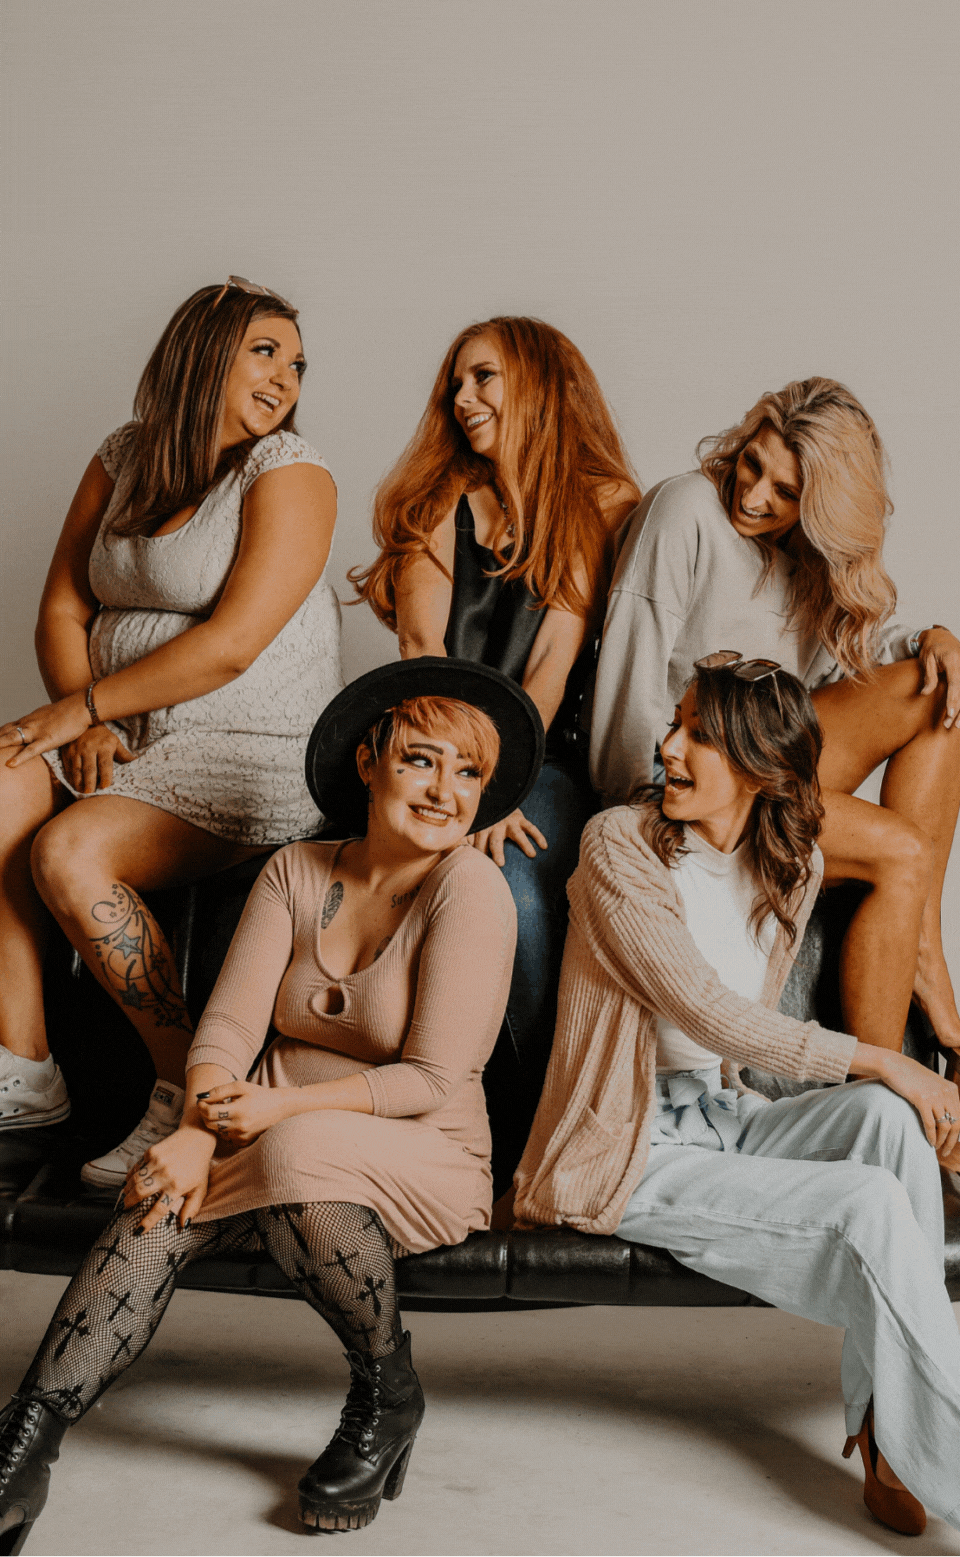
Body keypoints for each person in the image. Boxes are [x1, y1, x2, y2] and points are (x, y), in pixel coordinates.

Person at [0, 657, 542, 1548]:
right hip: (264, 1127)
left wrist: (256, 1120)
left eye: (468, 771)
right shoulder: (295, 872)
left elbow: (435, 1081)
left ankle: (384, 1389)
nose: (445, 790)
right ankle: (23, 1444)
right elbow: (221, 1039)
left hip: (422, 1149)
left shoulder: (469, 888)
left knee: (291, 1161)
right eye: (421, 759)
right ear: (369, 762)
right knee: (153, 1206)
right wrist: (189, 1137)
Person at [515, 657, 960, 1535]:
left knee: (886, 1126)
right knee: (871, 1186)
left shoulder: (788, 866)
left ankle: (886, 1435)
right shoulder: (619, 845)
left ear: (761, 767)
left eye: (700, 735)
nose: (669, 746)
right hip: (629, 1145)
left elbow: (735, 1048)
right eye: (675, 724)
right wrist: (888, 1058)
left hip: (724, 1120)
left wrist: (889, 1084)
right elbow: (706, 1010)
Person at [0, 278, 343, 1186]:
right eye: (265, 351)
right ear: (203, 351)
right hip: (116, 733)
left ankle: (192, 1086)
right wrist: (83, 718)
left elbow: (231, 648)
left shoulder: (292, 471)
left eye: (296, 362)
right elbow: (63, 607)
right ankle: (26, 1069)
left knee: (70, 852)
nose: (286, 376)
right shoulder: (123, 454)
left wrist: (83, 709)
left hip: (246, 748)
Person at [590, 377, 960, 1075]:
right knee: (901, 852)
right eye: (752, 463)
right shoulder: (688, 511)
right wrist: (644, 816)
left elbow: (858, 650)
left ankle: (924, 947)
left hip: (763, 763)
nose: (753, 496)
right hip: (687, 780)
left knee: (938, 683)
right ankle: (890, 1092)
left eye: (785, 492)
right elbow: (631, 683)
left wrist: (938, 636)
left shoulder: (808, 560)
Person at [350, 317, 639, 1167]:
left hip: (536, 757)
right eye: (456, 384)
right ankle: (423, 1126)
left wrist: (500, 787)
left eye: (483, 379)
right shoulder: (440, 504)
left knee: (512, 879)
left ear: (539, 385)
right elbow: (421, 659)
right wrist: (457, 780)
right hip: (434, 744)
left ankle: (527, 1139)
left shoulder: (601, 505)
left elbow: (548, 672)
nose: (461, 400)